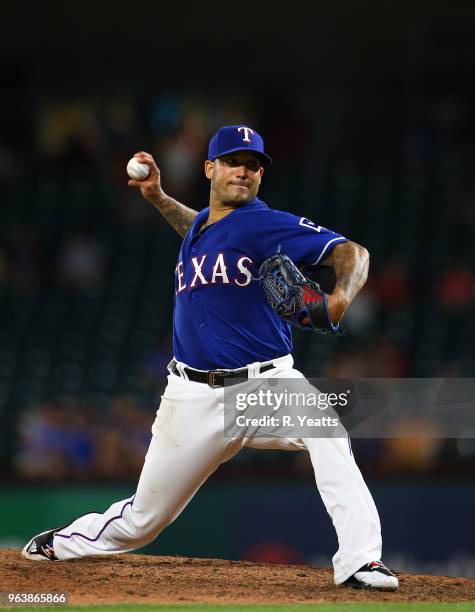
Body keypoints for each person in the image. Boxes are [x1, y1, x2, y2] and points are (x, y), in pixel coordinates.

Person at [22, 125, 398, 591]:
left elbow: (351, 252)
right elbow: (197, 228)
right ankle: (60, 544)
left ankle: (361, 561)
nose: (244, 170)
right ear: (210, 169)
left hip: (266, 386)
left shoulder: (265, 223)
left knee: (328, 431)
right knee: (143, 521)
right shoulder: (204, 226)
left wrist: (339, 299)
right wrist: (159, 198)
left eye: (254, 164)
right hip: (190, 396)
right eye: (234, 161)